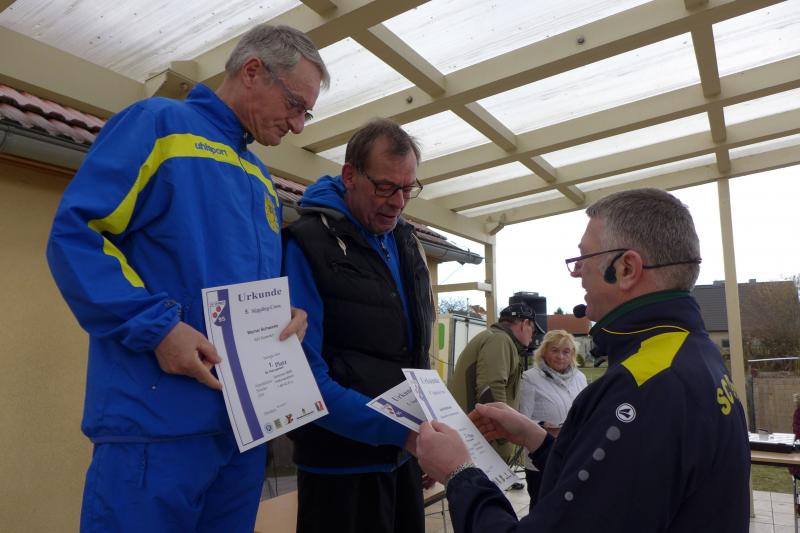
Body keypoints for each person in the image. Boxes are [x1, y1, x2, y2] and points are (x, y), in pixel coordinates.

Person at [46, 24, 328, 533]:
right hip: (157, 423)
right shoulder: (159, 125)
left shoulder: (260, 177)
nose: (298, 125)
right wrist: (158, 329)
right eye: (294, 105)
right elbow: (76, 236)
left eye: (306, 112)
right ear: (252, 71)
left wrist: (282, 316)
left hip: (243, 430)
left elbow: (245, 286)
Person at [416, 188, 750, 532]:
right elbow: (612, 487)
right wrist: (538, 440)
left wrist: (459, 473)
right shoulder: (695, 353)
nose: (576, 272)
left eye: (584, 257)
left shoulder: (643, 388)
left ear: (626, 268)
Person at [282, 118, 434, 533]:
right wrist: (405, 434)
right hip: (338, 469)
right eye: (385, 187)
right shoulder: (306, 243)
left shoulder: (405, 241)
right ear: (350, 175)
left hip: (402, 457)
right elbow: (302, 378)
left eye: (408, 188)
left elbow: (417, 353)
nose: (398, 202)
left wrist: (427, 431)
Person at [448, 302, 540, 463]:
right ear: (524, 324)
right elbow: (490, 389)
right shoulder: (500, 340)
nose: (533, 336)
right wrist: (504, 437)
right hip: (484, 447)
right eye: (533, 329)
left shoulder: (497, 338)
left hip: (480, 442)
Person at [518, 329, 587, 509]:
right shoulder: (530, 378)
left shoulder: (580, 378)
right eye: (554, 350)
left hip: (573, 454)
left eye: (566, 351)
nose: (560, 356)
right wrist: (541, 425)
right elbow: (521, 418)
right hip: (541, 456)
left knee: (569, 508)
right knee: (542, 507)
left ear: (572, 355)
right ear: (544, 352)